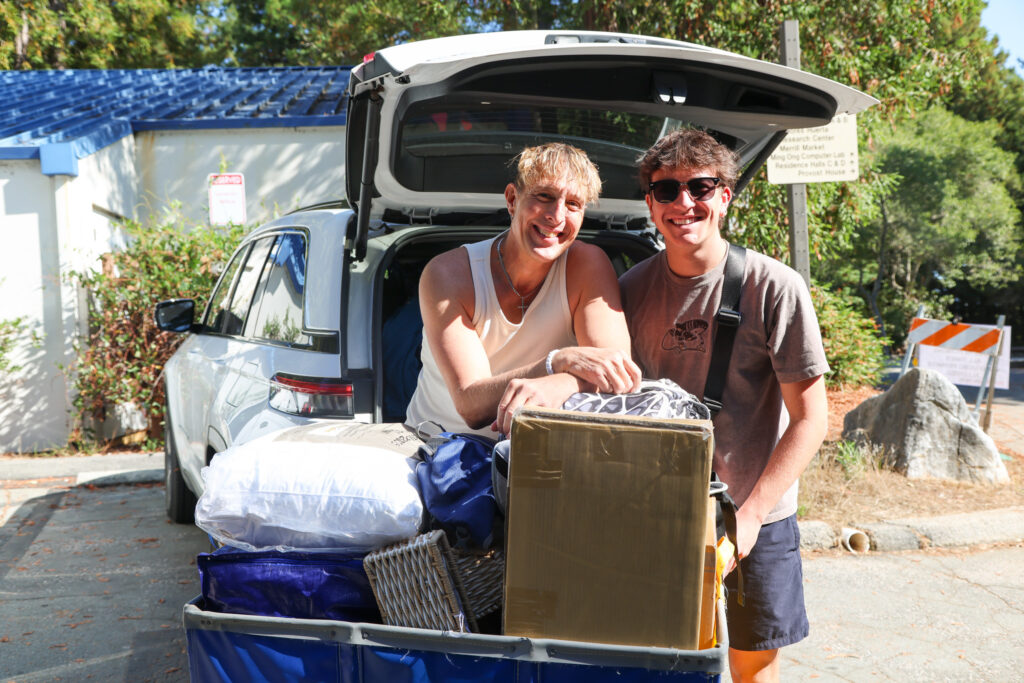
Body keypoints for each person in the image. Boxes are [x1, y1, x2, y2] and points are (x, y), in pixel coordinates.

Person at [619, 129, 828, 683]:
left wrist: (753, 515)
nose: (684, 203)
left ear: (725, 196)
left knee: (753, 660)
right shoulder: (629, 290)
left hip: (756, 508)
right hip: (656, 510)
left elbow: (811, 419)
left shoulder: (775, 286)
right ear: (650, 204)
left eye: (700, 187)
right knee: (655, 652)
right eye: (666, 191)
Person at [405, 142, 642, 438]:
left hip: (532, 453)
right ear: (512, 199)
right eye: (545, 196)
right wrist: (558, 361)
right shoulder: (448, 275)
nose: (556, 216)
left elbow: (615, 373)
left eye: (573, 204)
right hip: (433, 448)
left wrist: (559, 381)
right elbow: (470, 405)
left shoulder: (587, 265)